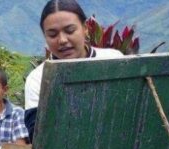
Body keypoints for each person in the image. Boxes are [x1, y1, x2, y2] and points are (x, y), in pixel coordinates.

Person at [24, 0, 124, 141]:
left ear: (85, 28)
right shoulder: (37, 79)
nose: (62, 40)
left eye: (70, 30)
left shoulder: (114, 60)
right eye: (52, 35)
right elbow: (40, 137)